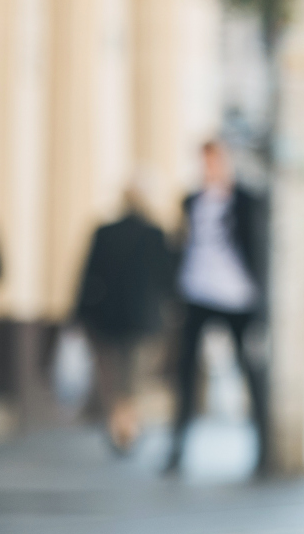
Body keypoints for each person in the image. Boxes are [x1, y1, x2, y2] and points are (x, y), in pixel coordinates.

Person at [167, 140, 269, 477]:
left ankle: (263, 445)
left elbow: (259, 248)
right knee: (185, 370)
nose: (209, 168)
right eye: (205, 162)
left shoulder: (246, 201)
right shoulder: (191, 202)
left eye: (215, 161)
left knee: (248, 370)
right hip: (196, 293)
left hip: (237, 295)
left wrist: (261, 300)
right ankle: (177, 447)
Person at [73, 179, 175, 455]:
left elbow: (87, 276)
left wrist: (78, 315)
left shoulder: (104, 233)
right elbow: (168, 280)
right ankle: (127, 427)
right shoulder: (154, 234)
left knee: (113, 376)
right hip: (144, 319)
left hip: (107, 319)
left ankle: (120, 425)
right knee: (134, 378)